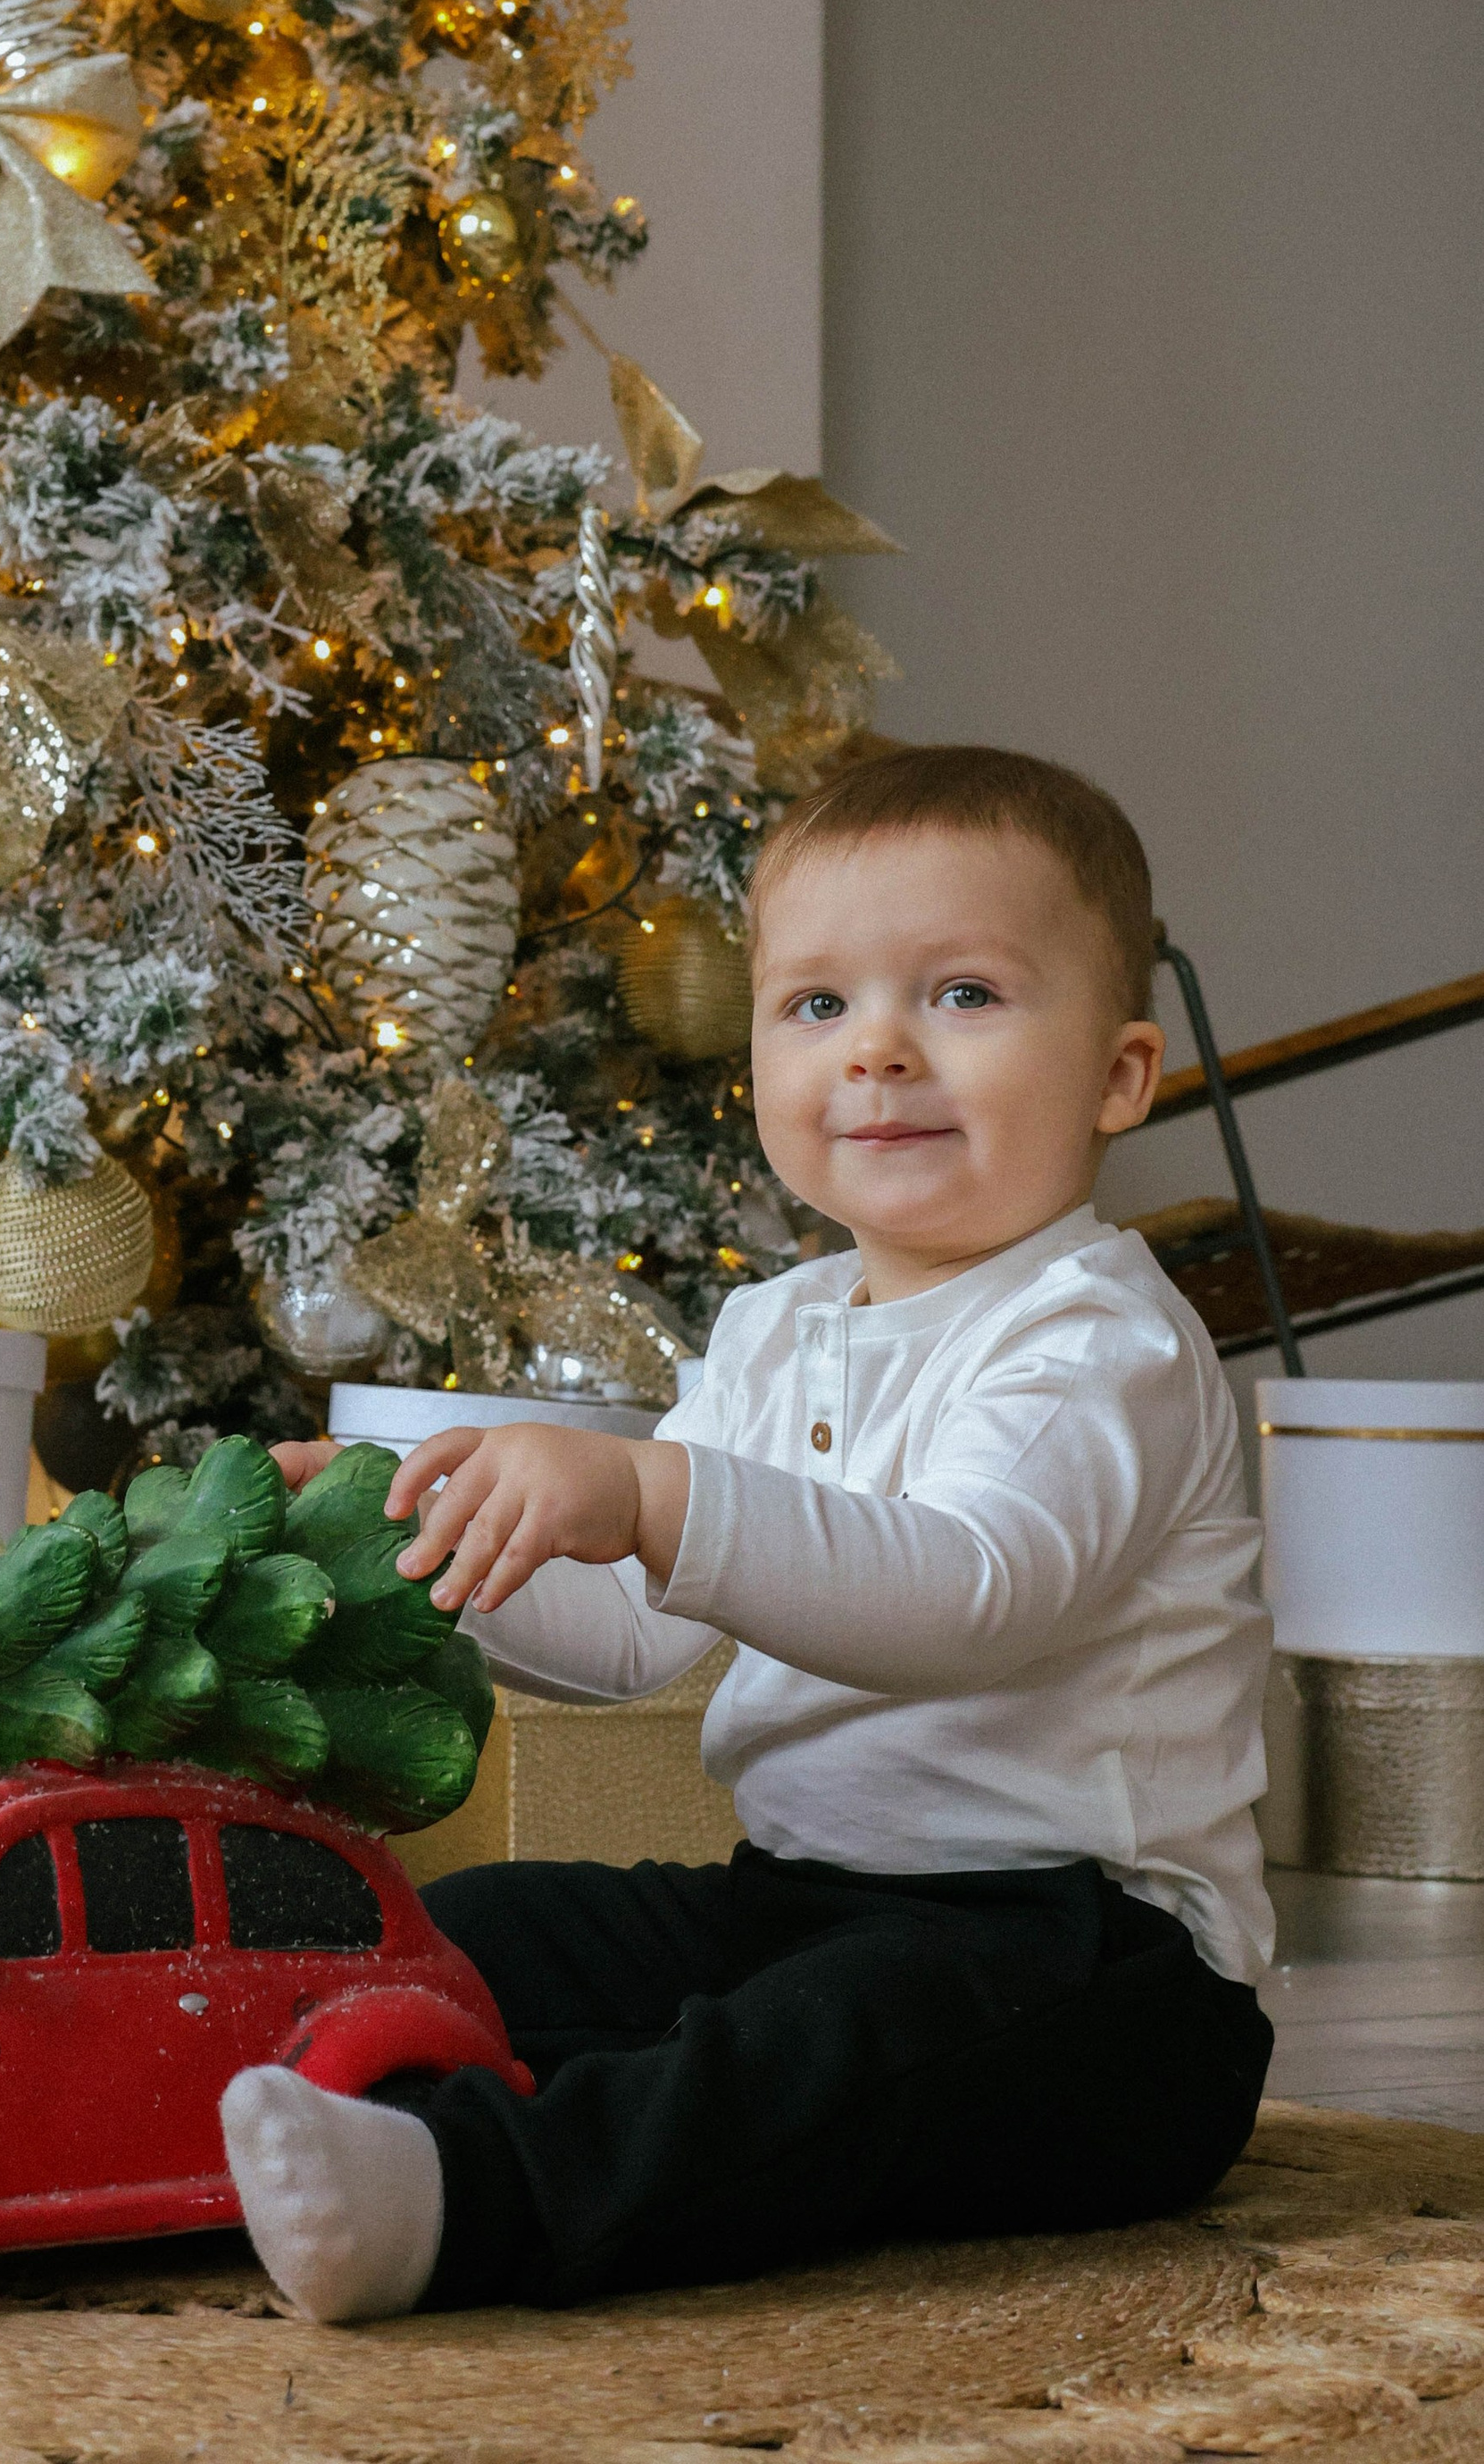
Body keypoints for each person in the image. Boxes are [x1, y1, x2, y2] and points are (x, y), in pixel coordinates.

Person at [221, 743, 1275, 2322]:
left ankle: (471, 2197)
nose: (881, 1054)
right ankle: (225, 2107)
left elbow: (967, 1595)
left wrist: (649, 1491)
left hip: (1095, 1960)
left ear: (1122, 1073)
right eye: (819, 1005)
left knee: (823, 2048)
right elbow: (652, 1632)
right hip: (800, 1887)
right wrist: (420, 1541)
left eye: (966, 995)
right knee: (476, 1927)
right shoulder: (776, 1325)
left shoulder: (1097, 1338)